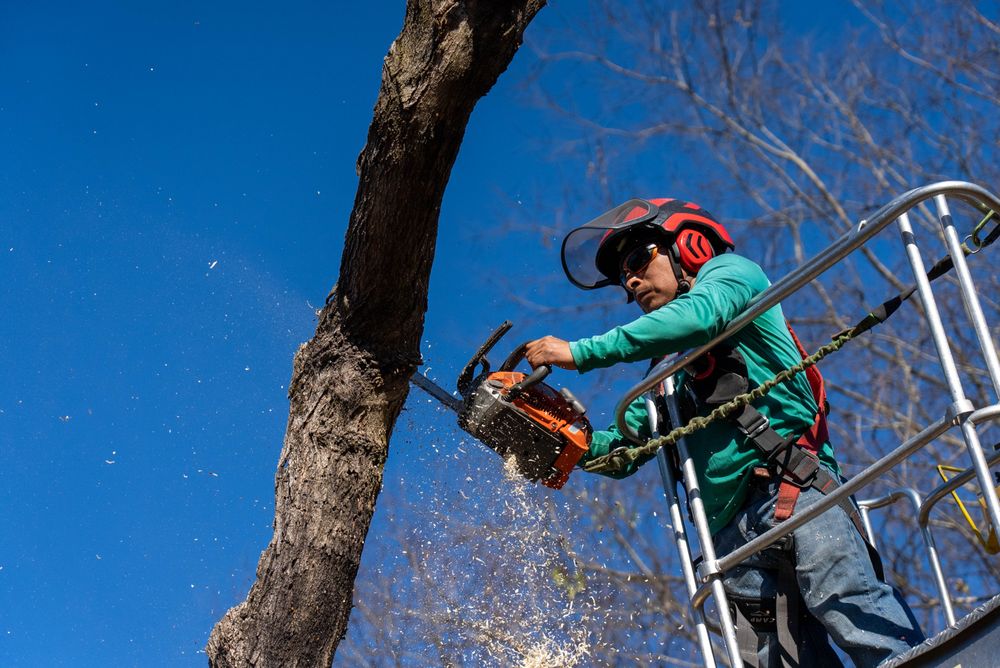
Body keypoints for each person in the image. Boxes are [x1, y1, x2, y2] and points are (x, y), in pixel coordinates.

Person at [524, 197, 924, 667]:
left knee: (853, 609)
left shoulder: (734, 277)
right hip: (731, 545)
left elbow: (698, 317)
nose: (631, 282)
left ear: (689, 246)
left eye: (637, 259)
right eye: (623, 279)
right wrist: (549, 439)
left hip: (794, 491)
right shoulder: (662, 378)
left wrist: (581, 351)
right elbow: (626, 448)